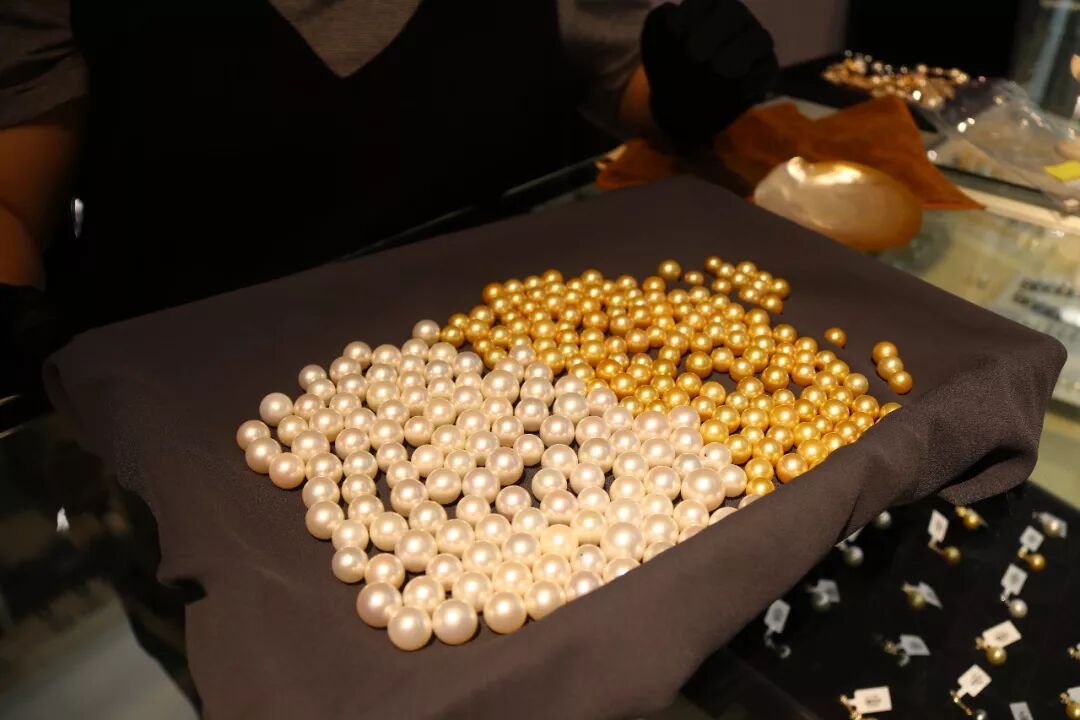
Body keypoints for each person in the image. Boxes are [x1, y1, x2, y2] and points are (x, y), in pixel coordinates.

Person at [0, 0, 776, 703]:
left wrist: (685, 87)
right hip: (181, 443)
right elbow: (12, 201)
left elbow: (624, 76)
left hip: (510, 353)